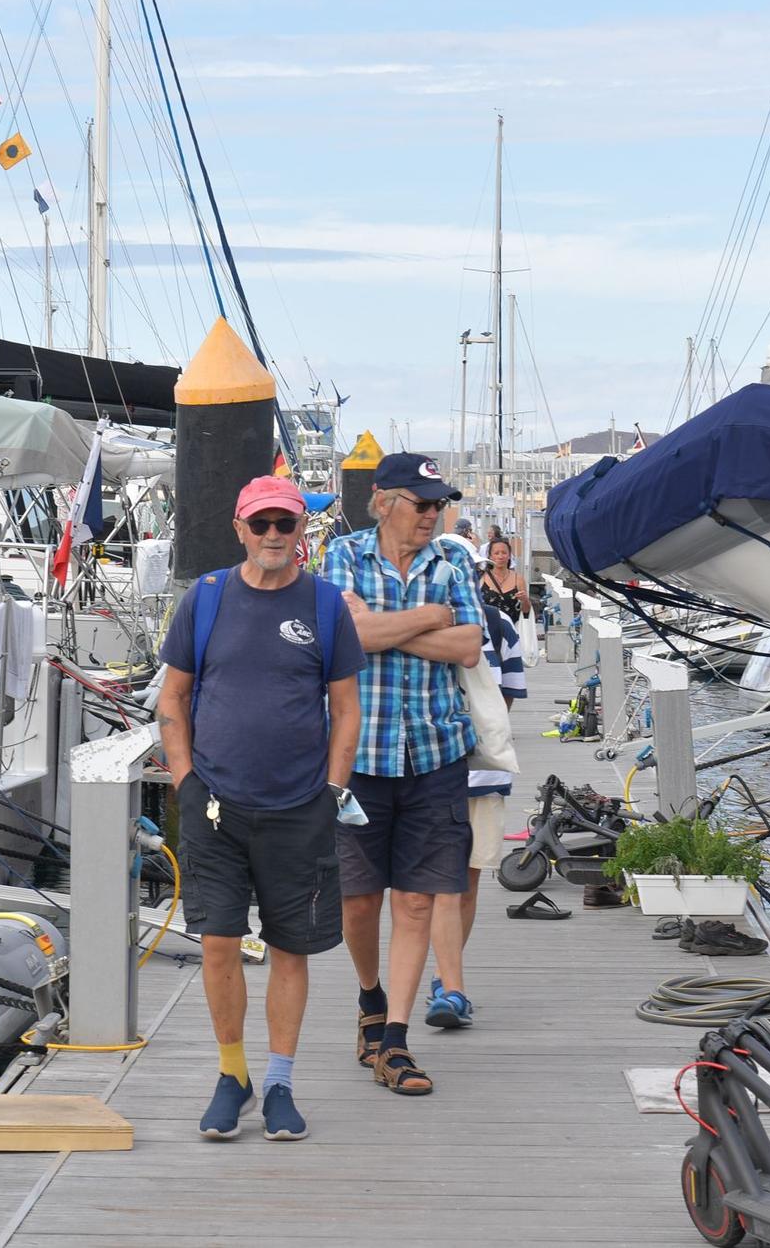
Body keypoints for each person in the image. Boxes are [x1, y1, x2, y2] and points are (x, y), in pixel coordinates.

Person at [156, 476, 365, 1141]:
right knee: (218, 941)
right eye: (262, 523)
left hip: (300, 807)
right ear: (240, 529)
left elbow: (347, 710)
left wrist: (332, 791)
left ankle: (278, 1081)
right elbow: (173, 701)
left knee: (289, 949)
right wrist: (186, 780)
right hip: (214, 807)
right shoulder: (206, 600)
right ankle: (231, 1073)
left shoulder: (326, 605)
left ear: (303, 531)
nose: (274, 534)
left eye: (286, 523)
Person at [322, 453, 484, 1096]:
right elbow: (342, 637)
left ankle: (394, 1039)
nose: (433, 515)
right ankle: (369, 994)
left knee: (416, 900)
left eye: (439, 504)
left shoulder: (454, 562)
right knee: (358, 901)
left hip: (435, 752)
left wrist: (379, 629)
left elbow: (469, 647)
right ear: (384, 500)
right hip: (360, 756)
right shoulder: (343, 557)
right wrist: (428, 619)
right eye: (422, 503)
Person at [425, 602, 525, 1028]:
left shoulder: (497, 624)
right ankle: (450, 986)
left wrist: (480, 733)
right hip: (427, 773)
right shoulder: (416, 613)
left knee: (466, 882)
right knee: (432, 887)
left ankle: (443, 978)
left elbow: (506, 694)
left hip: (482, 775)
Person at [478, 537, 532, 624]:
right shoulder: (481, 577)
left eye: (504, 553)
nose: (500, 556)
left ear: (509, 555)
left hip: (512, 631)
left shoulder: (518, 579)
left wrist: (524, 600)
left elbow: (526, 612)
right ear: (490, 556)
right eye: (496, 553)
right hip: (487, 631)